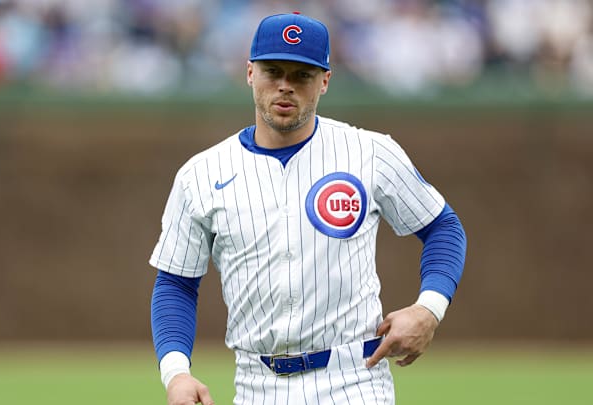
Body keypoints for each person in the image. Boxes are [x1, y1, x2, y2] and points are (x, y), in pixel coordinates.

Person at [149, 12, 466, 405]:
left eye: (302, 75)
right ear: (250, 73)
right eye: (273, 71)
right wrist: (176, 373)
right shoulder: (200, 174)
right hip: (255, 385)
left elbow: (443, 228)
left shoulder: (369, 152)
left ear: (325, 81)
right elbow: (176, 283)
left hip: (355, 380)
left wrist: (429, 309)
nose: (285, 86)